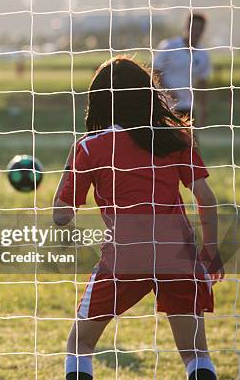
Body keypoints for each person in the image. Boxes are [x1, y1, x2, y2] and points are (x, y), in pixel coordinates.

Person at [53, 56, 222, 380]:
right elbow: (206, 198)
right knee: (195, 353)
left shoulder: (89, 147)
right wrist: (211, 253)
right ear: (148, 94)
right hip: (178, 253)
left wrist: (69, 167)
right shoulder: (175, 137)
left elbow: (61, 216)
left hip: (125, 255)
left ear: (99, 100)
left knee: (80, 345)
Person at [153, 12, 211, 125]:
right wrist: (168, 91)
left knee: (190, 142)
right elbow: (155, 71)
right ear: (187, 26)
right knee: (165, 141)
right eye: (193, 27)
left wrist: (204, 107)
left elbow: (203, 82)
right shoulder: (169, 46)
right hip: (165, 105)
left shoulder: (203, 55)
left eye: (200, 28)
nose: (196, 31)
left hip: (187, 106)